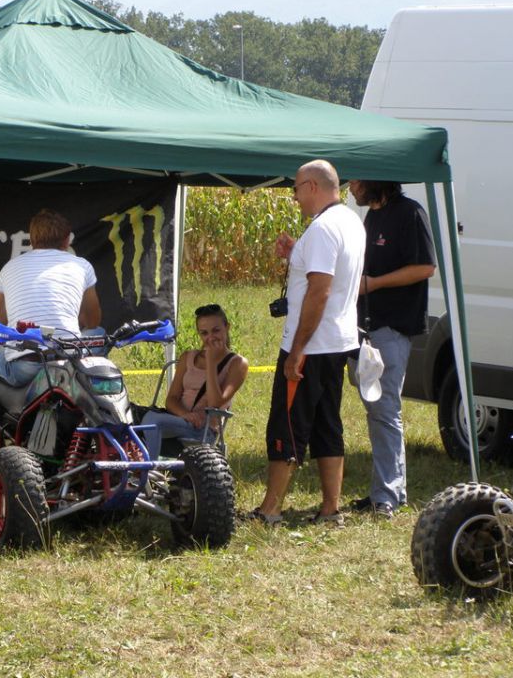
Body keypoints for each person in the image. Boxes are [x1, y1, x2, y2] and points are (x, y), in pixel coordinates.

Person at [244, 159, 365, 526]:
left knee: (287, 425)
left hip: (312, 346)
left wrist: (296, 350)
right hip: (338, 342)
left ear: (312, 186)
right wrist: (297, 251)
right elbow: (332, 272)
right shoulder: (349, 221)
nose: (294, 196)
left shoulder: (325, 228)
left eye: (296, 188)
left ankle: (271, 509)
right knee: (328, 424)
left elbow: (320, 291)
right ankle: (330, 508)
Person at [348, 180, 436, 519]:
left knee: (385, 410)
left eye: (356, 181)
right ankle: (386, 492)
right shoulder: (371, 216)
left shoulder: (410, 213)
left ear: (375, 181)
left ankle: (386, 497)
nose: (352, 187)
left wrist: (375, 283)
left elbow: (425, 267)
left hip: (393, 329)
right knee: (378, 410)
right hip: (366, 328)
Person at [0, 208, 102, 385]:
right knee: (99, 333)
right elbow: (92, 322)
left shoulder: (10, 267)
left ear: (31, 239)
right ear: (67, 240)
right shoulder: (82, 266)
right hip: (70, 362)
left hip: (25, 366)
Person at [142, 304, 249, 452]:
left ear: (227, 327)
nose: (210, 337)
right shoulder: (188, 357)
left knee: (151, 420)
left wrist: (211, 363)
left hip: (204, 429)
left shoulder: (237, 363)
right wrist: (186, 415)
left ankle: (149, 471)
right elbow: (171, 399)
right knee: (134, 418)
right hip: (180, 420)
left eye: (216, 330)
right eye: (204, 333)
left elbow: (215, 403)